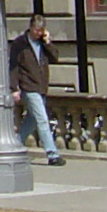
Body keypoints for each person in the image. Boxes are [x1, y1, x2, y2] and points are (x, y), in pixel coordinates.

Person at [8, 13, 65, 166]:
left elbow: (55, 58)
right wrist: (14, 88)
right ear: (31, 27)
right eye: (36, 30)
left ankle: (15, 144)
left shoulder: (42, 43)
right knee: (42, 119)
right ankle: (52, 154)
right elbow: (13, 67)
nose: (38, 33)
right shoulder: (20, 44)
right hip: (28, 86)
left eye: (41, 31)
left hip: (41, 87)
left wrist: (47, 42)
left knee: (32, 120)